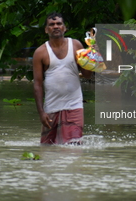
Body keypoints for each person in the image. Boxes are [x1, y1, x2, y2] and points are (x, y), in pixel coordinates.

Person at [32, 12, 92, 145]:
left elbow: (87, 75)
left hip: (74, 105)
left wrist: (92, 57)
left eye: (59, 23)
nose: (56, 26)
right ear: (46, 30)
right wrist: (41, 112)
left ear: (65, 28)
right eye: (51, 25)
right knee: (47, 147)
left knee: (74, 146)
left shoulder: (76, 45)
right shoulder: (40, 52)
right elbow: (37, 84)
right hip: (51, 107)